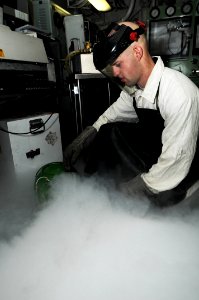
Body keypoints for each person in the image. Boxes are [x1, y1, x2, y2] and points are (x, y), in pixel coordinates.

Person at [63, 20, 199, 207]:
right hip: (158, 160)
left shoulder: (179, 93)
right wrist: (87, 135)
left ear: (137, 52)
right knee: (109, 131)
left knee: (150, 213)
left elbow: (176, 159)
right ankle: (91, 191)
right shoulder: (134, 90)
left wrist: (135, 189)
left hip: (181, 178)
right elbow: (112, 116)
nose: (116, 73)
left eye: (118, 64)